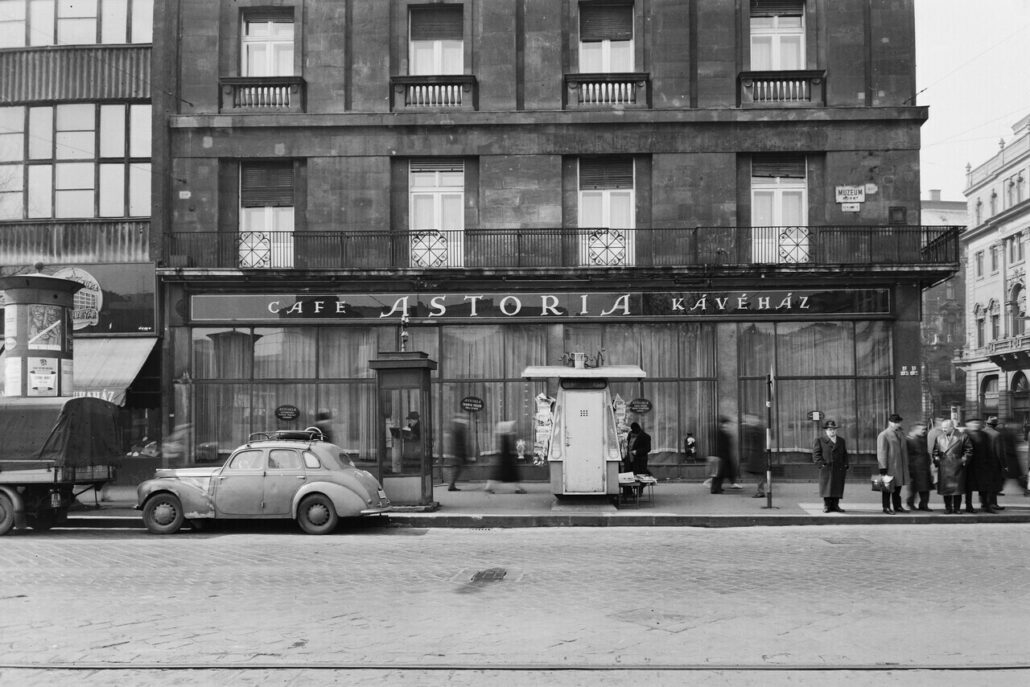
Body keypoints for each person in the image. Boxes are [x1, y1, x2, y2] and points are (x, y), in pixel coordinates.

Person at [931, 419, 972, 514]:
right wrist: (937, 460)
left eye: (945, 428)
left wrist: (962, 461)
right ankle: (948, 508)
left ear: (952, 427)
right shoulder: (939, 437)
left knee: (957, 490)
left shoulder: (962, 436)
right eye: (942, 427)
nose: (943, 429)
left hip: (957, 467)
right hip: (944, 467)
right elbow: (935, 451)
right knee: (946, 490)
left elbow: (969, 450)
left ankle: (957, 508)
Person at [812, 420, 849, 513]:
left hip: (839, 468)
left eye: (834, 429)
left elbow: (845, 454)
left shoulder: (841, 441)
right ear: (826, 430)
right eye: (830, 429)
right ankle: (827, 505)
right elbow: (816, 455)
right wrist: (821, 464)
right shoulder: (820, 440)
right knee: (827, 487)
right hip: (827, 468)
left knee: (837, 487)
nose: (832, 431)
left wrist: (845, 464)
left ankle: (836, 505)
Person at [876, 413, 910, 514]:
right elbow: (881, 452)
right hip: (890, 466)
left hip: (900, 466)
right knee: (887, 488)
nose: (897, 424)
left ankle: (897, 506)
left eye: (898, 422)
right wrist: (883, 468)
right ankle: (886, 507)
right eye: (895, 422)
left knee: (898, 487)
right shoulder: (884, 435)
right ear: (890, 422)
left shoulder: (901, 433)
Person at [974, 417, 1007, 513]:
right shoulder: (997, 434)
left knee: (984, 484)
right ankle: (993, 503)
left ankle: (984, 503)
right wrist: (1004, 465)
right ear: (995, 425)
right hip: (994, 464)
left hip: (982, 463)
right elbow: (1000, 452)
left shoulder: (981, 433)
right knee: (994, 484)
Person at [485, 420, 525, 494]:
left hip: (503, 460)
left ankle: (488, 487)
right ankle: (518, 488)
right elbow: (507, 449)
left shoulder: (503, 437)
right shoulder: (506, 438)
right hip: (506, 460)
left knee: (497, 475)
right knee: (510, 475)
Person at [905, 422, 933, 511]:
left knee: (925, 488)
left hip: (924, 467)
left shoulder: (924, 439)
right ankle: (910, 504)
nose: (924, 431)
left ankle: (924, 505)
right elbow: (906, 455)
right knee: (914, 488)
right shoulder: (909, 440)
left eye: (925, 429)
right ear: (915, 430)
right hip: (914, 468)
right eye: (922, 429)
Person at [710, 417, 742, 493]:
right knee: (718, 474)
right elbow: (721, 446)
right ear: (723, 424)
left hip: (722, 456)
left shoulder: (722, 432)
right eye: (726, 424)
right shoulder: (720, 433)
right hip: (721, 456)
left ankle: (717, 488)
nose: (727, 425)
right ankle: (715, 489)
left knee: (719, 474)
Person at [444, 415, 469, 491]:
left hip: (454, 452)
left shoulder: (454, 429)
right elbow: (460, 443)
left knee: (455, 469)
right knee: (456, 469)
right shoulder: (459, 429)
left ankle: (451, 485)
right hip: (456, 453)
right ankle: (451, 485)